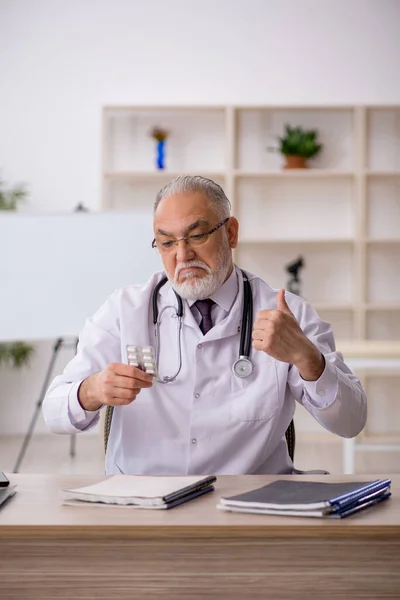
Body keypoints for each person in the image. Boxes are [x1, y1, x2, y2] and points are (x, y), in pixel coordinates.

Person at [43, 176, 367, 475]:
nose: (182, 255)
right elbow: (54, 411)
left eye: (196, 235)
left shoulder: (287, 315)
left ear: (231, 233)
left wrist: (309, 359)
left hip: (249, 504)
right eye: (167, 243)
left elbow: (351, 422)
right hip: (144, 506)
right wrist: (93, 390)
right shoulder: (125, 311)